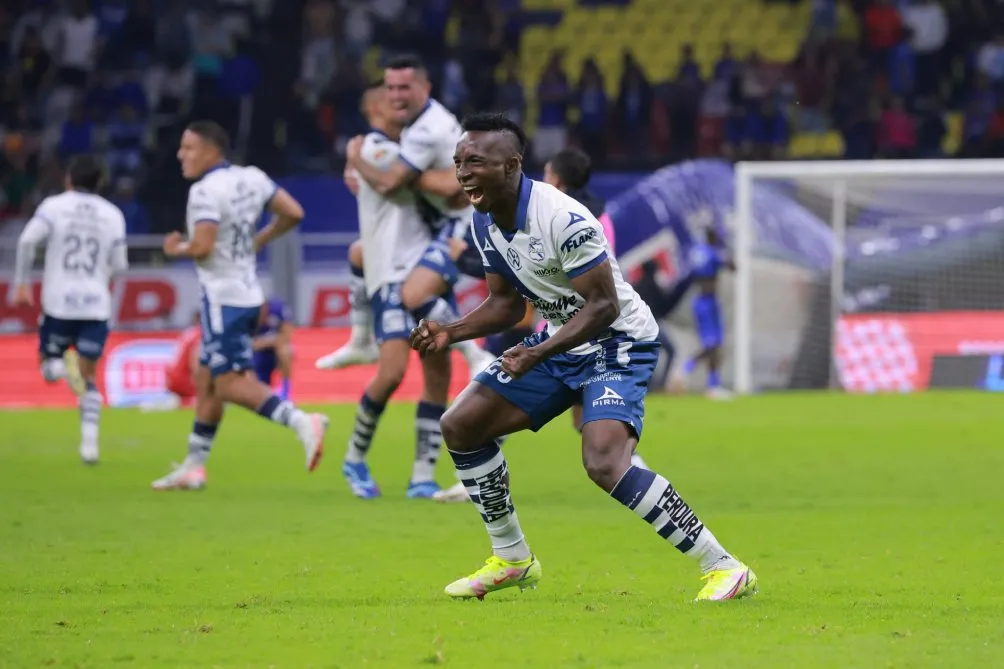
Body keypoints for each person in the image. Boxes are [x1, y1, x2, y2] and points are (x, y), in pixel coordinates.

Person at [410, 113, 757, 602]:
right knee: (461, 425)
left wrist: (537, 354)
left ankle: (724, 566)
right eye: (459, 162)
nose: (462, 172)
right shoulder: (484, 217)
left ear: (512, 165)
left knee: (603, 460)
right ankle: (512, 559)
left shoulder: (563, 218)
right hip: (561, 340)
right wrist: (451, 330)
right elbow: (507, 304)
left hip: (619, 341)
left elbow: (603, 305)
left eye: (475, 162)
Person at [151, 121, 328, 491]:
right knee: (206, 379)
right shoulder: (252, 177)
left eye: (189, 148)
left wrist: (175, 249)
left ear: (213, 150)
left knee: (228, 384)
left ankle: (300, 421)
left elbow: (201, 246)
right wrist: (261, 238)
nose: (182, 155)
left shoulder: (204, 191)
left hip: (223, 298)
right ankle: (194, 466)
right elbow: (293, 212)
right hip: (249, 294)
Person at [317, 54, 495, 378]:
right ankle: (360, 338)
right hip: (443, 220)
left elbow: (390, 182)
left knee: (413, 294)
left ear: (424, 87)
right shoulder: (416, 124)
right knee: (359, 253)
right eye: (391, 88)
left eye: (404, 87)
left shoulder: (427, 129)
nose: (397, 95)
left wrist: (357, 161)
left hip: (464, 223)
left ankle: (474, 352)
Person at [321, 83, 452, 499]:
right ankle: (355, 457)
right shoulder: (375, 149)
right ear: (375, 107)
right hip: (393, 273)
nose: (400, 106)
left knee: (436, 375)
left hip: (421, 267)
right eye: (390, 100)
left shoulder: (392, 152)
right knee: (393, 372)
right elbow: (423, 181)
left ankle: (421, 475)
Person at [12, 155, 128, 465]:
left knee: (49, 369)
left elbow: (26, 241)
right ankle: (90, 446)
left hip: (60, 302)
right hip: (95, 305)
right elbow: (120, 266)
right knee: (90, 378)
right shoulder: (113, 214)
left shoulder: (54, 207)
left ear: (68, 179)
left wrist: (22, 282)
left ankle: (59, 366)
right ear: (100, 183)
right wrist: (104, 281)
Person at [673, 227, 735, 399]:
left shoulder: (697, 252)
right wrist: (727, 249)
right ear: (713, 236)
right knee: (712, 345)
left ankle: (712, 385)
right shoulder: (713, 253)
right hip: (708, 302)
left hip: (702, 301)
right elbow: (733, 266)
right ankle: (685, 370)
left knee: (715, 345)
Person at [252, 297, 294, 400]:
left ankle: (286, 390)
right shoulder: (248, 315)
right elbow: (248, 343)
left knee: (285, 350)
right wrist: (272, 341)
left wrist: (267, 342)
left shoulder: (277, 308)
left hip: (274, 352)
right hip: (257, 355)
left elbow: (286, 336)